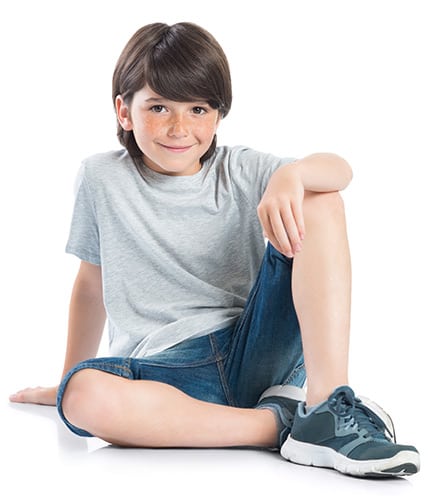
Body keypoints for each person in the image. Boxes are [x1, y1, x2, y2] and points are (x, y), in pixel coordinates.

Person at [9, 22, 419, 478]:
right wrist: (66, 378)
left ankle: (326, 402)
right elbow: (91, 284)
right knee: (83, 395)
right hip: (166, 372)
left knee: (319, 196)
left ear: (218, 115)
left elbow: (339, 170)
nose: (180, 127)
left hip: (253, 346)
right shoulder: (100, 178)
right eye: (159, 107)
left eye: (198, 109)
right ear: (124, 112)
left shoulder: (238, 169)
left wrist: (294, 175)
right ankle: (278, 425)